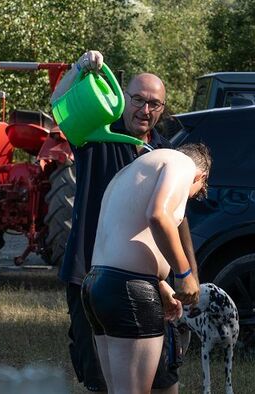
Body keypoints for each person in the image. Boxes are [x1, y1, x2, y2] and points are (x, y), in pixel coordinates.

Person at [50, 50, 199, 392]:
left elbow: (177, 218)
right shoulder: (96, 134)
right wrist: (82, 66)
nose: (144, 110)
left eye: (154, 104)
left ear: (163, 109)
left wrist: (189, 272)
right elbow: (59, 103)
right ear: (125, 98)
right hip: (91, 273)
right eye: (138, 100)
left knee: (164, 376)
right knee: (101, 379)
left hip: (149, 283)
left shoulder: (165, 151)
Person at [81, 144, 209, 394]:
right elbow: (158, 215)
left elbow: (123, 234)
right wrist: (184, 274)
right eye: (197, 192)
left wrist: (160, 283)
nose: (191, 197)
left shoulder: (128, 173)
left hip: (97, 285)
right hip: (127, 290)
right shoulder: (182, 163)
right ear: (201, 177)